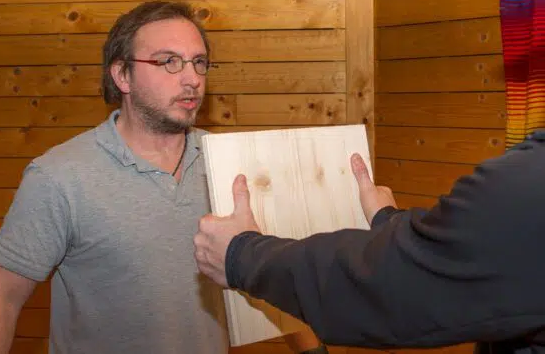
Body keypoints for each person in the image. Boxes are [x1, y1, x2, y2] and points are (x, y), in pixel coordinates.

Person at [0, 1, 324, 354]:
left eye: (199, 62)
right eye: (169, 61)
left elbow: (267, 273)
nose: (192, 79)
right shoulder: (59, 177)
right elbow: (0, 297)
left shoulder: (229, 165)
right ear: (122, 75)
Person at [194, 131, 545, 354]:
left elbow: (383, 283)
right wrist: (389, 221)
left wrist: (242, 254)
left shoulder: (528, 183)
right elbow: (459, 254)